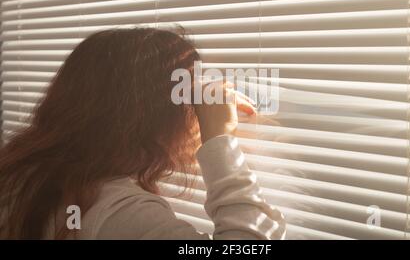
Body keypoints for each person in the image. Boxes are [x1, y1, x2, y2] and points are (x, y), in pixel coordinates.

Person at [0, 27, 286, 240]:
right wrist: (220, 139)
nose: (196, 111)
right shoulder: (119, 213)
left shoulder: (24, 176)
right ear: (151, 115)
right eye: (187, 95)